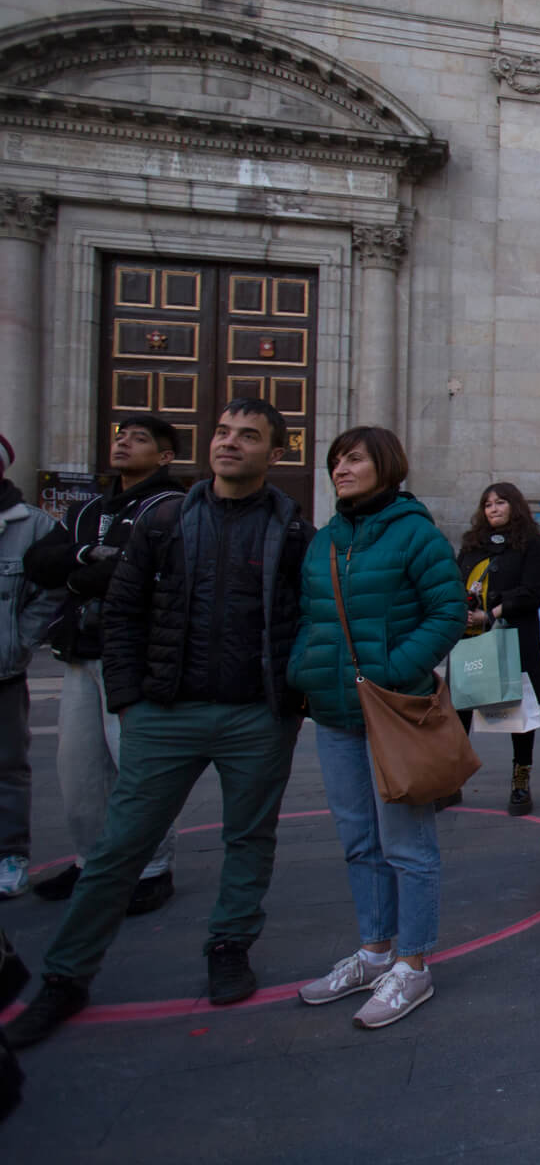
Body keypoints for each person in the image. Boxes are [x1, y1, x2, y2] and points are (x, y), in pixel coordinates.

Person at [4, 401, 311, 1047]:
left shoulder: (293, 532)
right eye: (223, 433)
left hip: (257, 715)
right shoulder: (166, 520)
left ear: (274, 454)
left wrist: (293, 700)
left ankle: (229, 944)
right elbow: (122, 611)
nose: (229, 444)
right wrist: (130, 703)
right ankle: (65, 975)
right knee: (120, 848)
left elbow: (305, 619)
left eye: (248, 436)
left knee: (249, 840)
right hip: (164, 714)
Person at [289, 427, 465, 1030]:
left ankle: (412, 965)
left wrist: (393, 670)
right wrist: (303, 673)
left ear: (386, 466)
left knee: (406, 846)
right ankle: (374, 951)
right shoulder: (325, 540)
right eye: (335, 459)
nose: (340, 468)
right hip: (333, 713)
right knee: (359, 842)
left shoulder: (416, 532)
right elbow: (307, 615)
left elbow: (448, 612)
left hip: (392, 711)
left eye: (354, 458)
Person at [23, 416, 186, 910]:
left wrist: (77, 570)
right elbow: (39, 562)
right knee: (80, 770)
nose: (123, 443)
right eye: (120, 436)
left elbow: (139, 573)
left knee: (136, 768)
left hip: (134, 654)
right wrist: (87, 558)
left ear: (163, 456)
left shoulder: (170, 507)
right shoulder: (85, 509)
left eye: (138, 439)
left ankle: (152, 869)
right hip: (80, 651)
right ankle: (90, 862)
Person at [454, 482, 540, 816]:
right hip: (469, 639)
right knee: (459, 711)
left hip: (512, 637)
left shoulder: (531, 543)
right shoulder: (471, 545)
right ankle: (452, 781)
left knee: (518, 714)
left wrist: (493, 611)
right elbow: (455, 581)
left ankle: (520, 783)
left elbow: (534, 591)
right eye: (487, 504)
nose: (493, 508)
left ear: (514, 506)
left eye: (500, 502)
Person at [0, 433, 59, 901]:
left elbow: (52, 589)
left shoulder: (33, 526)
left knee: (8, 766)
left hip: (4, 671)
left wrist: (19, 642)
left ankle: (9, 854)